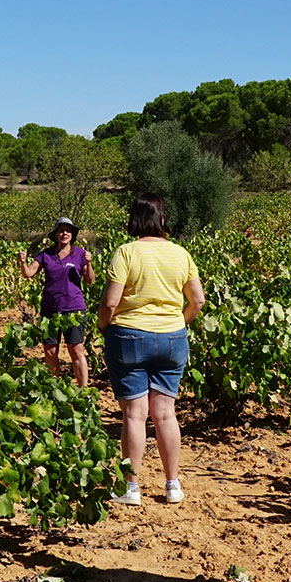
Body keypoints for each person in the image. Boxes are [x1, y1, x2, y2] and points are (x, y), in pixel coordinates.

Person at [97, 194, 204, 506]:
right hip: (172, 339)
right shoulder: (180, 254)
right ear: (162, 219)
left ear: (134, 219)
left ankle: (131, 489)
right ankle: (173, 485)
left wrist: (105, 326)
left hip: (129, 337)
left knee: (134, 414)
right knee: (165, 413)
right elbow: (197, 300)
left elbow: (110, 302)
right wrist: (178, 324)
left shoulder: (126, 253)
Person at [17, 217, 96, 387]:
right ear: (56, 235)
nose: (64, 233)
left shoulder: (80, 254)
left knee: (76, 350)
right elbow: (29, 273)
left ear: (72, 234)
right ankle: (54, 389)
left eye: (68, 230)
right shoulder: (46, 255)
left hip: (74, 309)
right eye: (61, 230)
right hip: (50, 311)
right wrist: (23, 262)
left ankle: (83, 390)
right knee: (50, 352)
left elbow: (90, 280)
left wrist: (89, 264)